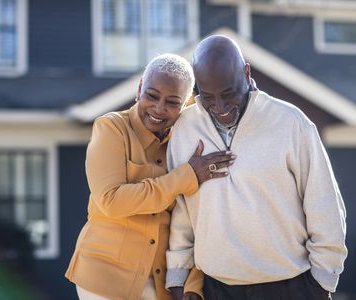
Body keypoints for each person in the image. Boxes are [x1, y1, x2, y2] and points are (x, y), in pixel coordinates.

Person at [165, 35, 347, 300]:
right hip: (217, 289)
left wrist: (322, 281)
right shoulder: (184, 129)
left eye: (228, 94)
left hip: (292, 287)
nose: (220, 107)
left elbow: (325, 204)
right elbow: (182, 209)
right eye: (208, 98)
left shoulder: (291, 123)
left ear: (246, 72)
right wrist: (178, 277)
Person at [65, 53, 235, 300]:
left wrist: (193, 283)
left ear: (186, 104)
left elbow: (197, 220)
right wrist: (185, 176)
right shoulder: (111, 129)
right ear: (139, 89)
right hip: (104, 279)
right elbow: (112, 201)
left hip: (159, 284)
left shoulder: (185, 144)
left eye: (172, 102)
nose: (159, 108)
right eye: (152, 96)